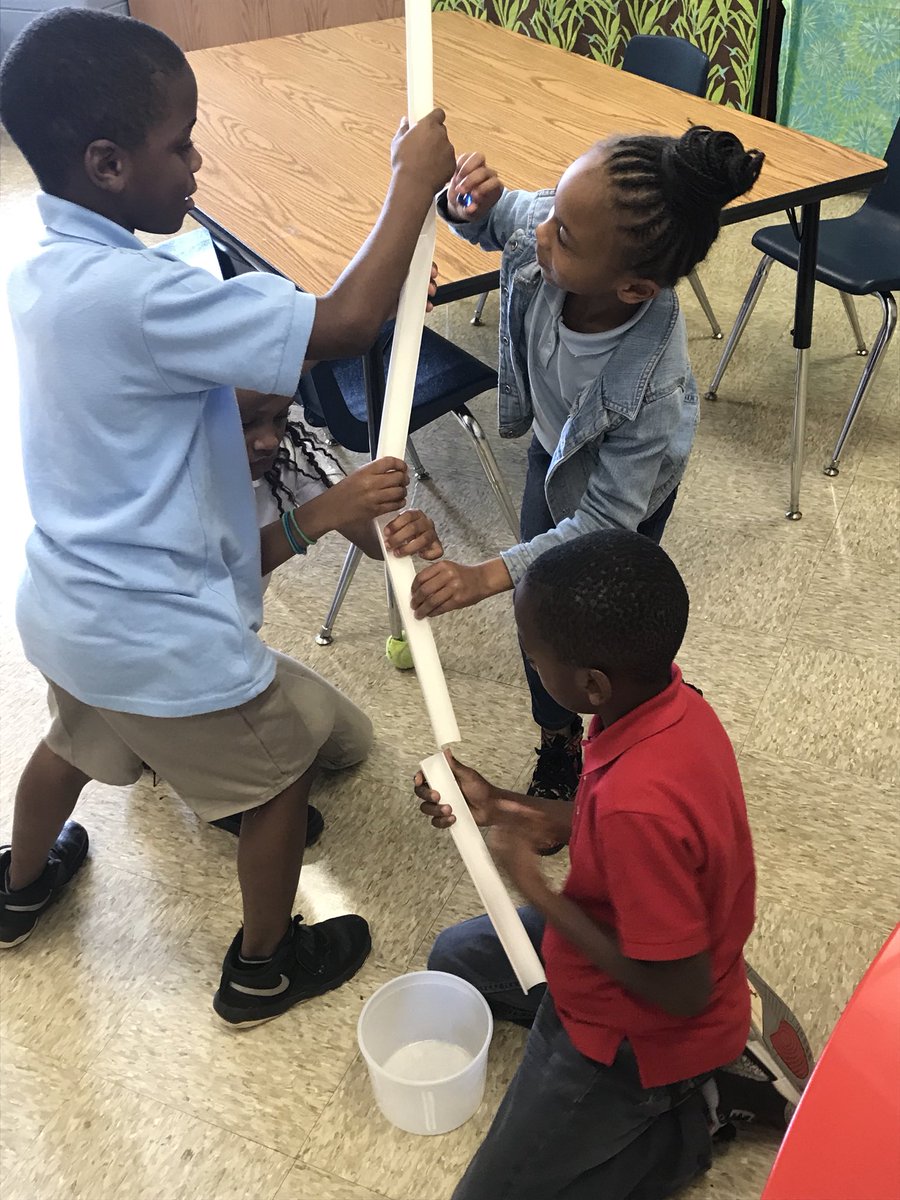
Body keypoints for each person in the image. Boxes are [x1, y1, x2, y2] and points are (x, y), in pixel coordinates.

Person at [0, 7, 455, 1027]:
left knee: (69, 741)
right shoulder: (141, 294)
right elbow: (339, 324)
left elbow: (274, 350)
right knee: (283, 773)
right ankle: (263, 964)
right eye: (182, 143)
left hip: (67, 610)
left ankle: (18, 884)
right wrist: (408, 187)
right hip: (161, 639)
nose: (198, 161)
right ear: (110, 163)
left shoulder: (46, 270)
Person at [389, 128, 763, 813]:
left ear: (633, 288)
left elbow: (599, 525)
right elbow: (498, 217)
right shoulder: (557, 227)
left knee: (605, 623)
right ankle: (558, 735)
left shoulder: (652, 392)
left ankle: (637, 712)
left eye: (563, 235)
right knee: (545, 619)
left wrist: (485, 573)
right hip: (553, 450)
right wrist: (462, 203)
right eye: (553, 210)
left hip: (624, 499)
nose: (540, 233)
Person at [414, 530, 757, 1200]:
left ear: (591, 685)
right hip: (624, 934)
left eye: (535, 661)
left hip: (636, 1033)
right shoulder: (667, 706)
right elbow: (608, 821)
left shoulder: (640, 806)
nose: (533, 669)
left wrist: (539, 894)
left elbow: (681, 993)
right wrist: (500, 805)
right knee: (456, 957)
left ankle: (685, 1123)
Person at [203, 388, 442, 842]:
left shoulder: (287, 451)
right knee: (291, 765)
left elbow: (372, 537)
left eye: (277, 417)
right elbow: (213, 576)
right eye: (246, 422)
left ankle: (194, 754)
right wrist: (313, 517)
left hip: (228, 643)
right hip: (167, 649)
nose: (268, 439)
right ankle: (197, 773)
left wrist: (401, 529)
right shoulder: (175, 470)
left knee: (350, 743)